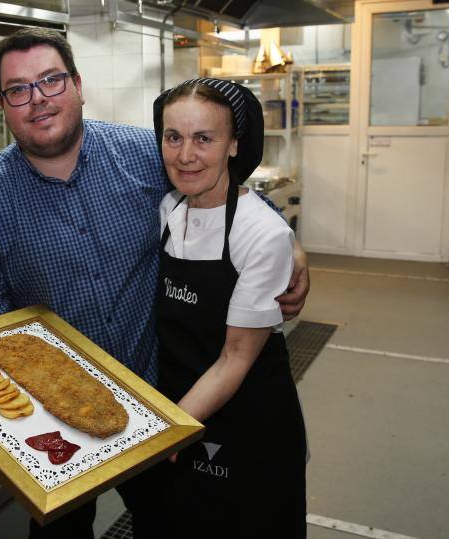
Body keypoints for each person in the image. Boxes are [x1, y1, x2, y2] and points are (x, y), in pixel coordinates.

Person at [0, 28, 309, 538]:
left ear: (77, 84)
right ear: (2, 103)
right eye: (18, 89)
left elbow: (219, 188)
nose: (38, 100)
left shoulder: (143, 152)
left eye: (51, 80)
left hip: (155, 397)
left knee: (166, 523)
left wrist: (290, 244)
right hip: (56, 419)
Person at [153, 78, 306, 537]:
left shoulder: (261, 233)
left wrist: (170, 429)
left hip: (248, 422)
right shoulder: (167, 209)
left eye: (204, 138)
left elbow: (234, 358)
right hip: (183, 400)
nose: (185, 155)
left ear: (235, 143)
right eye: (173, 137)